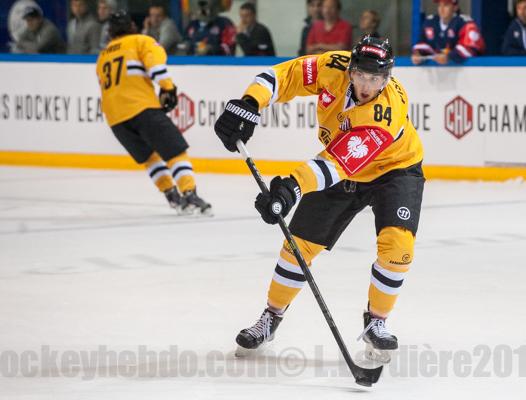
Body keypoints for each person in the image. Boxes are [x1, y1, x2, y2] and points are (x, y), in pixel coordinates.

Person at [214, 36, 424, 361]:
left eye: (375, 79)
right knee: (298, 246)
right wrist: (251, 102)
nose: (366, 86)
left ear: (387, 78)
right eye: (361, 76)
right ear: (351, 70)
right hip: (340, 167)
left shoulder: (386, 112)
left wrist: (291, 188)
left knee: (398, 246)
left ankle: (377, 322)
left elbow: (337, 164)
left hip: (395, 170)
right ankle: (271, 316)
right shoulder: (333, 66)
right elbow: (283, 76)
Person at [96, 11, 212, 215]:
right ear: (132, 26)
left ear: (110, 32)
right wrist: (168, 88)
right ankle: (189, 194)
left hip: (115, 119)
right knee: (175, 151)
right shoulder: (140, 41)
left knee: (150, 158)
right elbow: (156, 67)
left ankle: (172, 196)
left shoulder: (103, 56)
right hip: (142, 108)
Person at [412, 0, 485, 65]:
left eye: (446, 5)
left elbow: (470, 47)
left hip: (467, 72)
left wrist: (449, 56)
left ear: (455, 7)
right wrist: (418, 54)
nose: (441, 9)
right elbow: (422, 43)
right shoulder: (430, 22)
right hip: (438, 73)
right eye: (439, 5)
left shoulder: (465, 23)